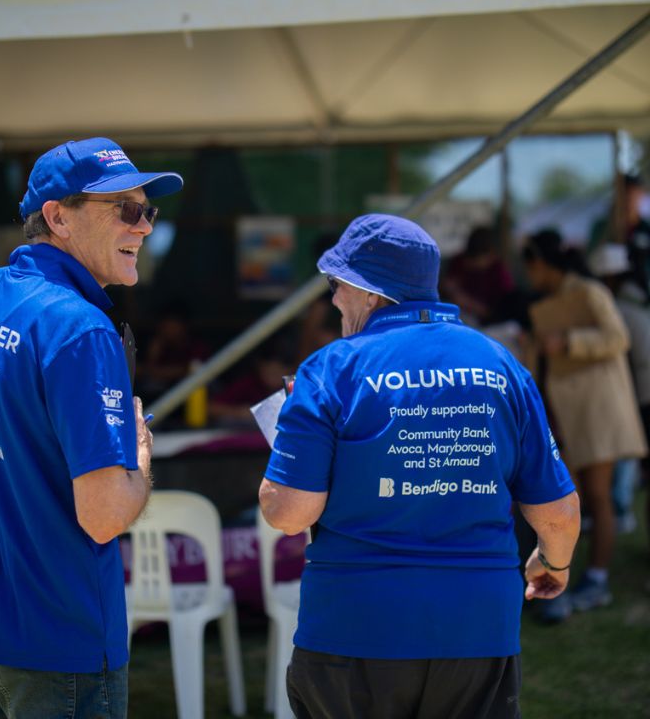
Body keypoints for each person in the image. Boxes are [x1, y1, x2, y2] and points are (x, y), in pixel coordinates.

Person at [258, 214, 580, 719]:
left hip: (354, 629)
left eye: (336, 285)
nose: (333, 299)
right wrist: (553, 563)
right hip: (477, 630)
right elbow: (559, 513)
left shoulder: (331, 368)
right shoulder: (501, 365)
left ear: (368, 291)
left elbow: (288, 513)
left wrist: (292, 442)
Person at [0, 137, 183, 719]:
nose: (143, 227)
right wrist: (140, 457)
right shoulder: (83, 330)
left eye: (148, 211)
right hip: (58, 638)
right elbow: (104, 515)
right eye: (126, 209)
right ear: (57, 217)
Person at [522, 230, 647, 618]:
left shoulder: (590, 292)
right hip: (573, 411)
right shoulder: (552, 300)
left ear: (541, 264)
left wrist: (570, 340)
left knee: (596, 496)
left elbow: (617, 337)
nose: (529, 275)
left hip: (601, 409)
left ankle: (596, 580)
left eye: (530, 267)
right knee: (578, 499)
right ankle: (566, 579)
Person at [588, 243, 650, 539]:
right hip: (642, 390)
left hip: (643, 393)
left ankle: (622, 509)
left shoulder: (619, 308)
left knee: (627, 456)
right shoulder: (640, 299)